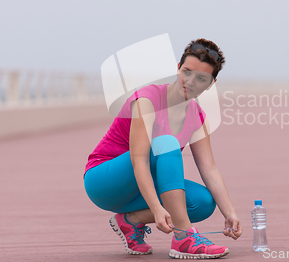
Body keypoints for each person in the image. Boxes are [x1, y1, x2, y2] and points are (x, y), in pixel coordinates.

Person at [83, 39, 242, 259]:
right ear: (178, 68)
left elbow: (209, 168)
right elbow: (140, 159)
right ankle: (184, 238)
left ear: (211, 83)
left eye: (201, 78)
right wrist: (157, 209)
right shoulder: (147, 100)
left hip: (139, 188)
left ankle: (130, 222)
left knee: (203, 203)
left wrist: (230, 213)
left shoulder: (196, 115)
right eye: (187, 72)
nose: (190, 81)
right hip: (104, 181)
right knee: (166, 142)